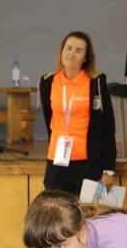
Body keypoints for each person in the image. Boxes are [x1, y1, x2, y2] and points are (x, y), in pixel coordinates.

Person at [39, 32, 117, 197]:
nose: (71, 54)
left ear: (85, 58)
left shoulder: (96, 82)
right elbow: (49, 120)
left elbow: (108, 126)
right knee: (57, 219)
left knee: (89, 219)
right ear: (62, 51)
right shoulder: (48, 82)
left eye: (78, 51)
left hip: (88, 163)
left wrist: (108, 170)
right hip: (57, 160)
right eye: (68, 48)